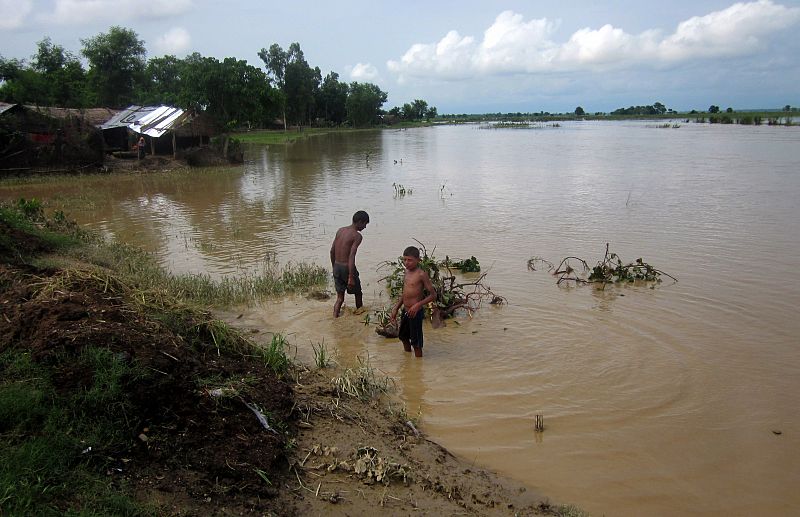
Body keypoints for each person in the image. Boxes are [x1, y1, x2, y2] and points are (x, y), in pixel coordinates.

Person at [390, 246, 436, 357]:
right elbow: (404, 293)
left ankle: (418, 367)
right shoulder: (406, 272)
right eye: (404, 259)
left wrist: (417, 305)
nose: (407, 262)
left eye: (410, 260)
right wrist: (396, 308)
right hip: (405, 311)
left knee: (416, 343)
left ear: (418, 260)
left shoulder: (421, 274)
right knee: (403, 337)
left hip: (415, 312)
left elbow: (433, 295)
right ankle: (408, 362)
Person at [330, 210, 369, 317]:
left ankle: (335, 317)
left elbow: (332, 251)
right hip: (347, 268)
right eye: (365, 224)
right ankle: (360, 317)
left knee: (340, 298)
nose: (365, 227)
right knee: (358, 293)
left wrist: (334, 267)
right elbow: (351, 256)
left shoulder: (340, 230)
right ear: (360, 222)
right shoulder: (357, 236)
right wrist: (351, 276)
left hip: (337, 266)